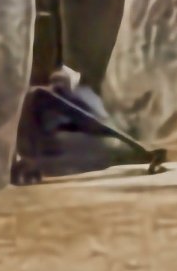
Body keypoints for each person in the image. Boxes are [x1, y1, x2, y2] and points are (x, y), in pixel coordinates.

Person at [12, 64, 167, 183]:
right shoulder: (38, 95)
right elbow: (89, 121)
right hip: (40, 146)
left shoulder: (45, 97)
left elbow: (89, 121)